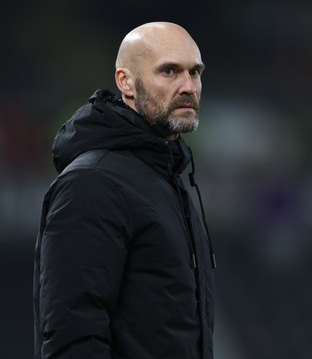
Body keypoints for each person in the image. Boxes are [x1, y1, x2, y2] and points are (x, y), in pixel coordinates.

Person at [33, 22, 216, 359]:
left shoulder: (168, 182)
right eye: (169, 71)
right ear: (126, 82)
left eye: (195, 72)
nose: (188, 86)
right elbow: (73, 339)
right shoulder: (92, 183)